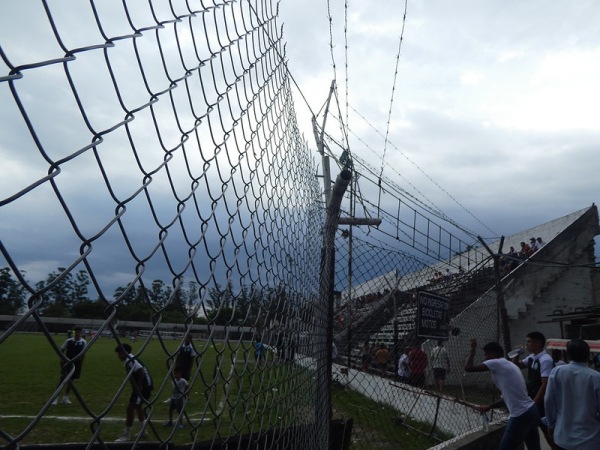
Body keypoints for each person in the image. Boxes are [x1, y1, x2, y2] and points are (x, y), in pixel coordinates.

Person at [464, 339, 541, 450]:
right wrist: (489, 407)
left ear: (493, 354)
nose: (485, 358)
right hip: (532, 411)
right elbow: (506, 398)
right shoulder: (509, 365)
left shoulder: (497, 362)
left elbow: (468, 368)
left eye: (486, 354)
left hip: (520, 414)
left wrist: (472, 350)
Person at [544, 339, 600, 450]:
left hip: (563, 438)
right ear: (587, 354)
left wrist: (551, 424)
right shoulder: (595, 377)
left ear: (567, 354)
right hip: (590, 439)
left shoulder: (557, 372)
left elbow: (548, 401)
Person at [511, 331, 553, 441]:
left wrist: (534, 403)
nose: (526, 344)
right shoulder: (532, 358)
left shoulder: (545, 360)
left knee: (549, 433)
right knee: (531, 432)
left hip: (541, 402)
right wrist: (517, 354)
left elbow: (545, 384)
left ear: (538, 343)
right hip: (532, 400)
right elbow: (516, 366)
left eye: (529, 342)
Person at [114, 343, 154, 442]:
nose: (118, 356)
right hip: (145, 386)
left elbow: (140, 370)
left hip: (143, 387)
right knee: (138, 407)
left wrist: (139, 386)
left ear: (124, 352)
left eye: (119, 353)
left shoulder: (130, 359)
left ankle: (127, 435)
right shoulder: (129, 359)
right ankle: (144, 431)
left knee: (130, 408)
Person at [53, 326, 87, 405]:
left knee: (71, 381)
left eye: (79, 332)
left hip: (77, 364)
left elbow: (83, 353)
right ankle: (55, 398)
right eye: (77, 332)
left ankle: (65, 398)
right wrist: (62, 360)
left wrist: (81, 362)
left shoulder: (84, 342)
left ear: (81, 333)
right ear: (74, 333)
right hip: (68, 363)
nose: (78, 334)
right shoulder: (69, 341)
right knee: (62, 380)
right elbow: (62, 349)